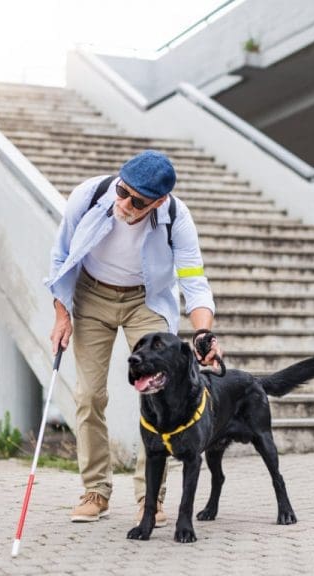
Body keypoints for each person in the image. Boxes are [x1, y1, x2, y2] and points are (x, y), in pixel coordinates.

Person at [46, 149, 223, 525]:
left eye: (137, 200)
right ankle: (95, 491)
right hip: (91, 295)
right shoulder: (90, 195)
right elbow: (60, 256)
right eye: (123, 191)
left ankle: (150, 499)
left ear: (158, 202)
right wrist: (61, 314)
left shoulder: (177, 217)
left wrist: (204, 330)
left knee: (160, 392)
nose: (124, 203)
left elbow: (193, 279)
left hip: (147, 300)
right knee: (89, 394)